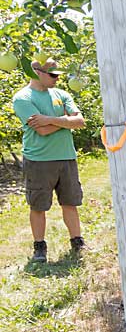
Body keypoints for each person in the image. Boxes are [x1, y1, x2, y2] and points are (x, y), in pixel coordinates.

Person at [12, 58, 86, 263]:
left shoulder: (62, 94)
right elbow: (42, 131)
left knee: (70, 202)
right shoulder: (23, 98)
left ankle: (77, 241)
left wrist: (50, 119)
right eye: (53, 74)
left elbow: (79, 121)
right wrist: (65, 121)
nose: (57, 78)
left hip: (66, 157)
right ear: (36, 72)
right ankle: (39, 247)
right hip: (39, 160)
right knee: (38, 206)